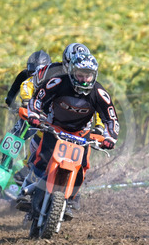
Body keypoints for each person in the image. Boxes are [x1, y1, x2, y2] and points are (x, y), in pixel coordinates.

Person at [21, 47, 119, 217]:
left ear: (94, 75)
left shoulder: (99, 93)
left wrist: (110, 137)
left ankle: (71, 200)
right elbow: (38, 99)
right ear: (72, 72)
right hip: (55, 126)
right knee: (42, 158)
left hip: (81, 133)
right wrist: (34, 115)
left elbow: (111, 118)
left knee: (82, 165)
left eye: (88, 75)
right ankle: (30, 190)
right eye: (80, 74)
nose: (84, 79)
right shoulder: (58, 82)